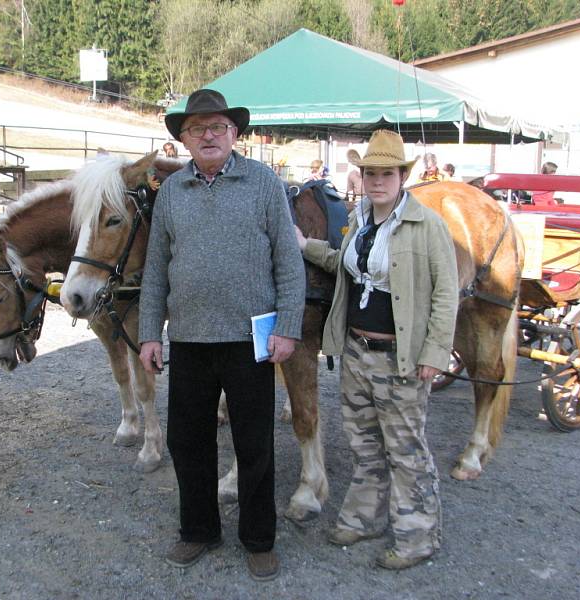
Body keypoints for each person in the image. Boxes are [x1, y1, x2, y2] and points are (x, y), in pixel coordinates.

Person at [138, 89, 305, 581]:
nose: (208, 135)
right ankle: (198, 531)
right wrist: (150, 333)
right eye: (197, 129)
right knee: (187, 442)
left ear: (234, 134)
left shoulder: (264, 183)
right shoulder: (170, 193)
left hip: (251, 340)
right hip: (189, 340)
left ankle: (258, 539)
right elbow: (155, 272)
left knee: (254, 444)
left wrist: (289, 328)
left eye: (218, 127)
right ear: (184, 139)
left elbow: (288, 265)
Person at [295, 129, 458, 570]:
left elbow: (447, 293)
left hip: (400, 357)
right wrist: (304, 245)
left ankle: (417, 535)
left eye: (387, 173)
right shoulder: (361, 221)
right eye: (370, 173)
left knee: (405, 449)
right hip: (357, 352)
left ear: (403, 176)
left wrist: (434, 352)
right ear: (362, 176)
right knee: (363, 442)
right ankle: (364, 517)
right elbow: (342, 265)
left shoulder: (427, 226)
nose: (378, 180)